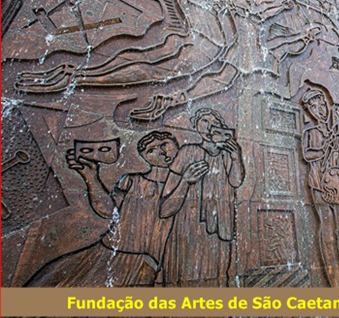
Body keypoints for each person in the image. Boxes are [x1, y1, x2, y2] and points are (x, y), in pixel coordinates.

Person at [25, 131, 179, 287]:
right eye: (151, 150)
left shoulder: (185, 184)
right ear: (144, 157)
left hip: (152, 262)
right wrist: (91, 177)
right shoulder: (132, 181)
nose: (161, 152)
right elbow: (108, 211)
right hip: (113, 253)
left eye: (164, 145)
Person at [160, 108, 245, 286]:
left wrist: (236, 157)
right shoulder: (187, 152)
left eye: (214, 123)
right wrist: (185, 181)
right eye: (204, 121)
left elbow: (236, 182)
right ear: (195, 126)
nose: (209, 127)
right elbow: (165, 208)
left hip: (219, 231)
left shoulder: (226, 155)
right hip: (188, 231)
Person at [301, 88, 339, 287]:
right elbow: (307, 155)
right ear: (309, 111)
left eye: (322, 104)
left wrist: (337, 180)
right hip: (319, 186)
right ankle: (335, 286)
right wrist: (324, 148)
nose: (320, 109)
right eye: (314, 107)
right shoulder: (310, 133)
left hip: (338, 189)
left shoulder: (337, 135)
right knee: (327, 235)